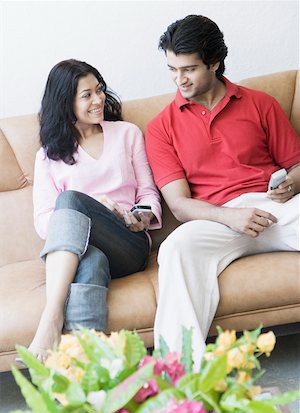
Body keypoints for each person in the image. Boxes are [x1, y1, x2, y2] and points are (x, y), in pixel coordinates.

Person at [145, 15, 300, 370]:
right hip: (218, 219)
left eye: (189, 69)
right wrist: (229, 216)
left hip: (275, 208)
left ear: (214, 63)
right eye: (172, 69)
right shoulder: (160, 128)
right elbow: (180, 206)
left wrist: (291, 184)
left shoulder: (260, 104)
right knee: (175, 249)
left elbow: (296, 166)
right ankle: (182, 378)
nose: (178, 79)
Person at [27, 59, 162, 362]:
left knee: (71, 200)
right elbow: (43, 222)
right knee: (91, 259)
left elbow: (148, 193)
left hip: (128, 243)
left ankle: (51, 318)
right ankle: (84, 366)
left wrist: (141, 216)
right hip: (84, 251)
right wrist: (92, 208)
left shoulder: (127, 133)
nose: (99, 99)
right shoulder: (48, 156)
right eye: (86, 95)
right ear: (66, 102)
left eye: (98, 90)